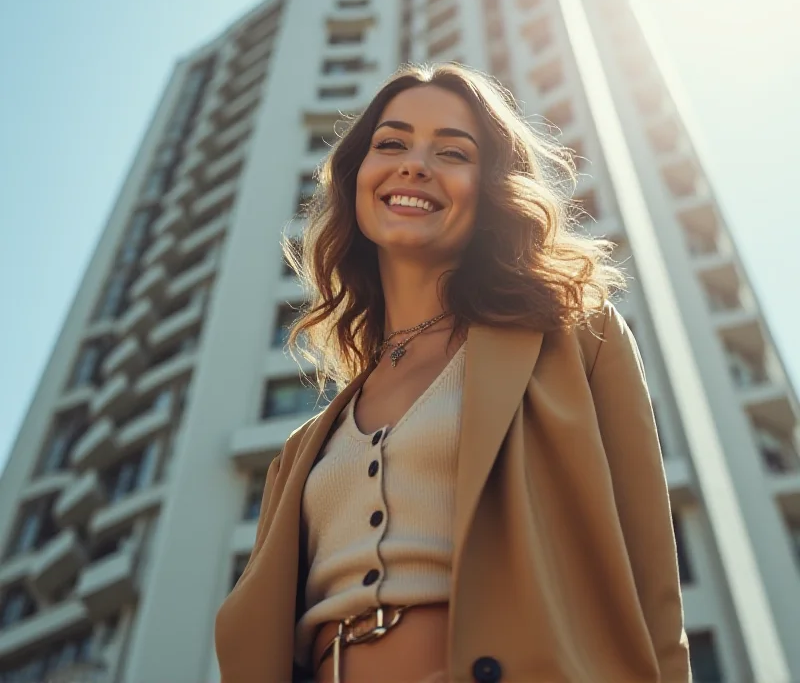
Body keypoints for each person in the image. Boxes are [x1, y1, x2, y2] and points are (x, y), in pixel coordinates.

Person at [215, 63, 692, 683]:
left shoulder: (579, 342)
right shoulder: (299, 454)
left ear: (490, 189)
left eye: (453, 152)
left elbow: (653, 587)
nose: (415, 164)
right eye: (391, 143)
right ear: (358, 177)